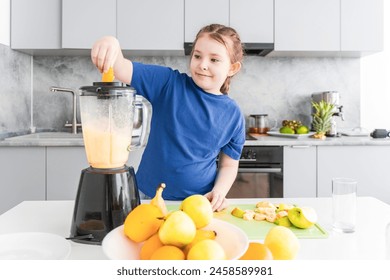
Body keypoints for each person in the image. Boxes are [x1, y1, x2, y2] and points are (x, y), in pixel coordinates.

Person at [91, 24, 245, 211]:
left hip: (199, 204)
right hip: (148, 197)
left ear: (232, 68)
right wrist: (111, 43)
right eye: (197, 56)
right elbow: (121, 68)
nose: (203, 64)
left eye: (214, 59)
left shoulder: (234, 115)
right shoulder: (168, 83)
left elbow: (229, 164)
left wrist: (219, 191)